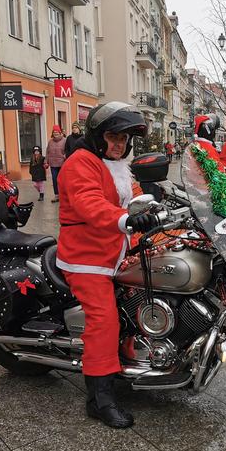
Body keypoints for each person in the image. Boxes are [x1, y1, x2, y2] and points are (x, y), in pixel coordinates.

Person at [57, 101, 156, 429]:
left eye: (125, 139)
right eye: (114, 137)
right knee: (104, 320)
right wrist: (126, 218)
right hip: (87, 258)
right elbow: (89, 203)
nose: (120, 144)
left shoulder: (116, 164)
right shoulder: (80, 163)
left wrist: (160, 205)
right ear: (98, 136)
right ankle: (99, 400)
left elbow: (135, 195)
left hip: (115, 250)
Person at [45, 125, 66, 203]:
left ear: (60, 132)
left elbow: (68, 150)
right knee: (54, 179)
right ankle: (56, 195)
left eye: (57, 132)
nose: (55, 133)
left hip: (62, 163)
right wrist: (46, 161)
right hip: (53, 163)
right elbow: (47, 152)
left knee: (62, 180)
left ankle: (63, 195)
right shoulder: (50, 141)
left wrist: (65, 156)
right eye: (54, 132)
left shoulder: (65, 140)